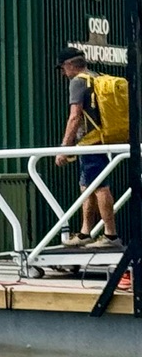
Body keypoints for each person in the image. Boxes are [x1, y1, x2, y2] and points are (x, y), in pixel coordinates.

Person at [54, 48, 120, 249]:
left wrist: (64, 148)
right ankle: (85, 233)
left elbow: (75, 116)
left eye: (62, 68)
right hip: (100, 139)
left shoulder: (78, 82)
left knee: (99, 187)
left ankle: (110, 235)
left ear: (70, 65)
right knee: (87, 187)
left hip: (90, 142)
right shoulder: (96, 77)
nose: (63, 73)